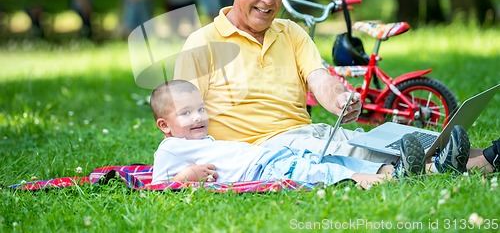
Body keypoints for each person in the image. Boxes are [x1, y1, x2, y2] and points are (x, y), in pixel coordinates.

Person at [174, 0, 498, 175]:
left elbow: (320, 79)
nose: (268, 0)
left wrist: (341, 98)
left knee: (394, 137)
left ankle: (481, 155)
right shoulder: (201, 43)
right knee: (365, 151)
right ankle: (479, 164)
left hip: (312, 136)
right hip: (266, 150)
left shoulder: (291, 33)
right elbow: (179, 122)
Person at [150, 80, 435, 188]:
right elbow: (157, 186)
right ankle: (375, 180)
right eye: (186, 113)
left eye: (200, 109)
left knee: (334, 159)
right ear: (164, 125)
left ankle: (392, 170)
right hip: (264, 168)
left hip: (271, 155)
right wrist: (185, 178)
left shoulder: (201, 141)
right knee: (321, 172)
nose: (198, 117)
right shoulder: (170, 149)